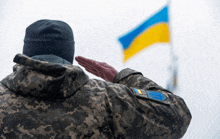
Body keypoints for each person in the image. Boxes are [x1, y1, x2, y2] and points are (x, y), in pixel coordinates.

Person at [0, 19, 192, 139]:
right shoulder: (108, 99)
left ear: (27, 52)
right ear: (69, 53)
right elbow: (178, 114)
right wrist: (122, 78)